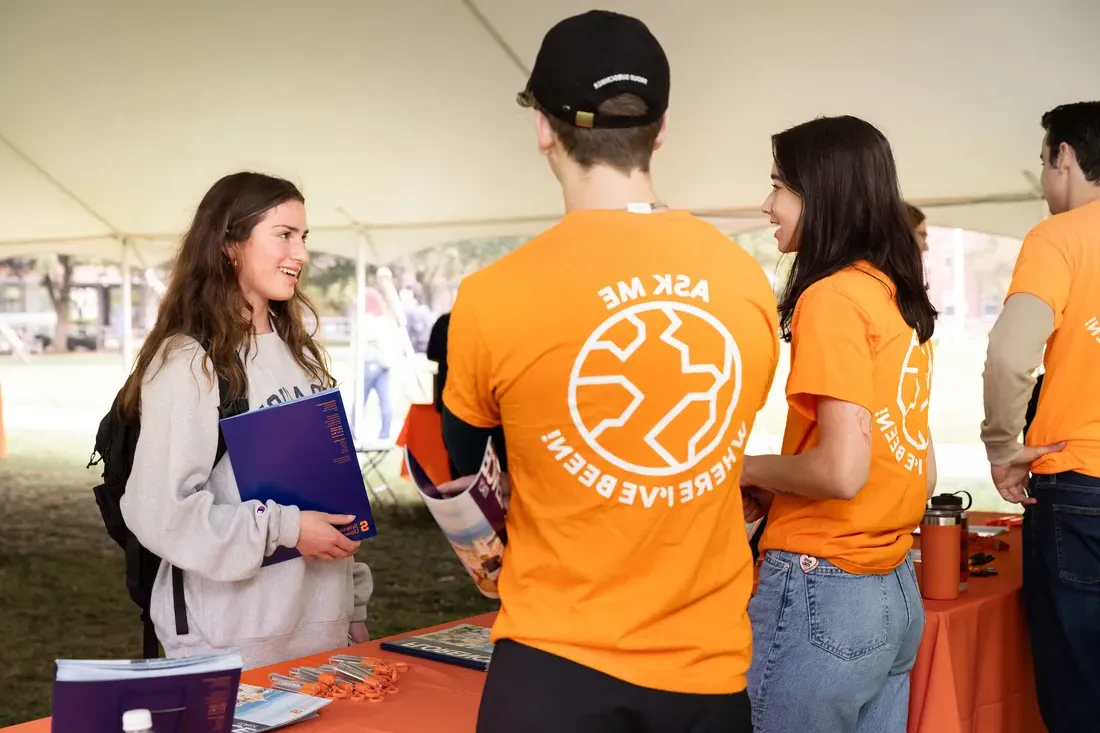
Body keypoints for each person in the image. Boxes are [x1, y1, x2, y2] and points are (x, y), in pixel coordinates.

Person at [443, 10, 778, 733]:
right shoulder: (743, 279)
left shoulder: (491, 297)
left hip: (551, 668)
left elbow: (463, 473)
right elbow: (722, 438)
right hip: (706, 674)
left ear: (543, 130)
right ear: (660, 130)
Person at [118, 172, 373, 668]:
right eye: (283, 234)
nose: (299, 253)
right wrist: (288, 527)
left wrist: (352, 608)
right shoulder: (189, 361)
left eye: (303, 238)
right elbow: (162, 514)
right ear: (230, 244)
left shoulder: (301, 356)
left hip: (322, 635)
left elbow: (333, 498)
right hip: (229, 645)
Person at [740, 115, 938, 733]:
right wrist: (779, 482)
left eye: (780, 186)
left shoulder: (830, 297)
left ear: (822, 193)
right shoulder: (894, 296)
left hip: (823, 587)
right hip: (894, 587)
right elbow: (916, 465)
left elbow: (841, 470)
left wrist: (734, 468)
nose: (766, 205)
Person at [980, 101, 1100, 733]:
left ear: (1066, 157)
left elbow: (1008, 353)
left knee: (1079, 687)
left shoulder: (1059, 237)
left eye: (1045, 162)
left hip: (1081, 486)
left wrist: (1002, 446)